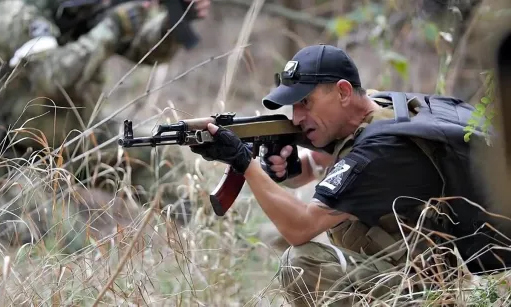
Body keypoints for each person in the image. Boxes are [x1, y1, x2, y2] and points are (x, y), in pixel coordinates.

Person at [188, 44, 511, 306]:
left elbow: (301, 228)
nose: (297, 117)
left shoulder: (382, 150)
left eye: (305, 103)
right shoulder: (382, 107)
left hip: (420, 291)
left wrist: (245, 162)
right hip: (411, 271)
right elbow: (323, 162)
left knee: (303, 262)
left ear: (343, 92)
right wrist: (295, 167)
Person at [0, 0, 211, 250]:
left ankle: (216, 241)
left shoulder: (79, 9)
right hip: (11, 157)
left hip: (76, 140)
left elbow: (145, 50)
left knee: (158, 156)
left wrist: (170, 24)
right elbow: (53, 77)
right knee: (67, 244)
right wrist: (114, 26)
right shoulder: (14, 12)